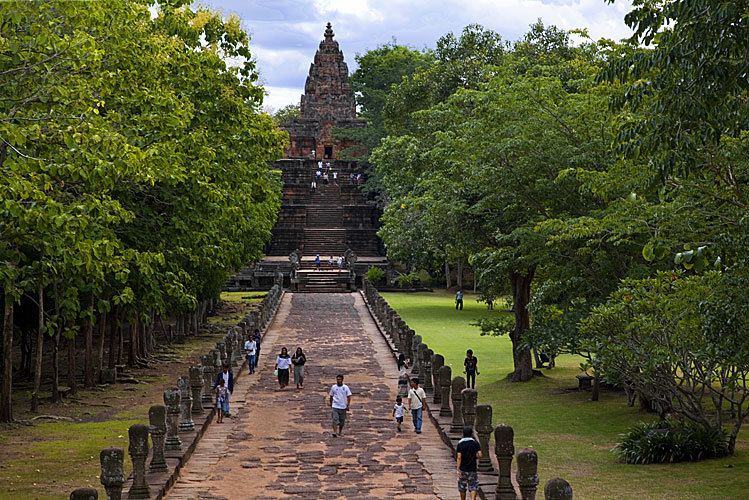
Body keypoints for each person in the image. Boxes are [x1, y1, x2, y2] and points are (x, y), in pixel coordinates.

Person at [456, 426, 482, 500]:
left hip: (463, 468)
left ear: (463, 433)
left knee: (462, 486)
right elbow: (480, 455)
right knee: (473, 485)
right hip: (472, 468)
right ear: (471, 434)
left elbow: (459, 457)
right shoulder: (475, 443)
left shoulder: (460, 444)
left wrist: (458, 469)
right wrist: (475, 456)